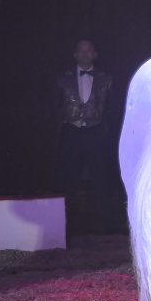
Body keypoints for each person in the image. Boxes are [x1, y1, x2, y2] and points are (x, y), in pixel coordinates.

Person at [54, 40, 114, 237]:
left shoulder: (106, 79)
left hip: (96, 133)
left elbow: (112, 108)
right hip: (71, 132)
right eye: (81, 50)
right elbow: (55, 106)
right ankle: (64, 225)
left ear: (95, 54)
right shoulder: (63, 79)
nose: (85, 54)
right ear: (75, 55)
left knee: (100, 178)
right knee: (67, 178)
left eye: (88, 50)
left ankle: (102, 227)